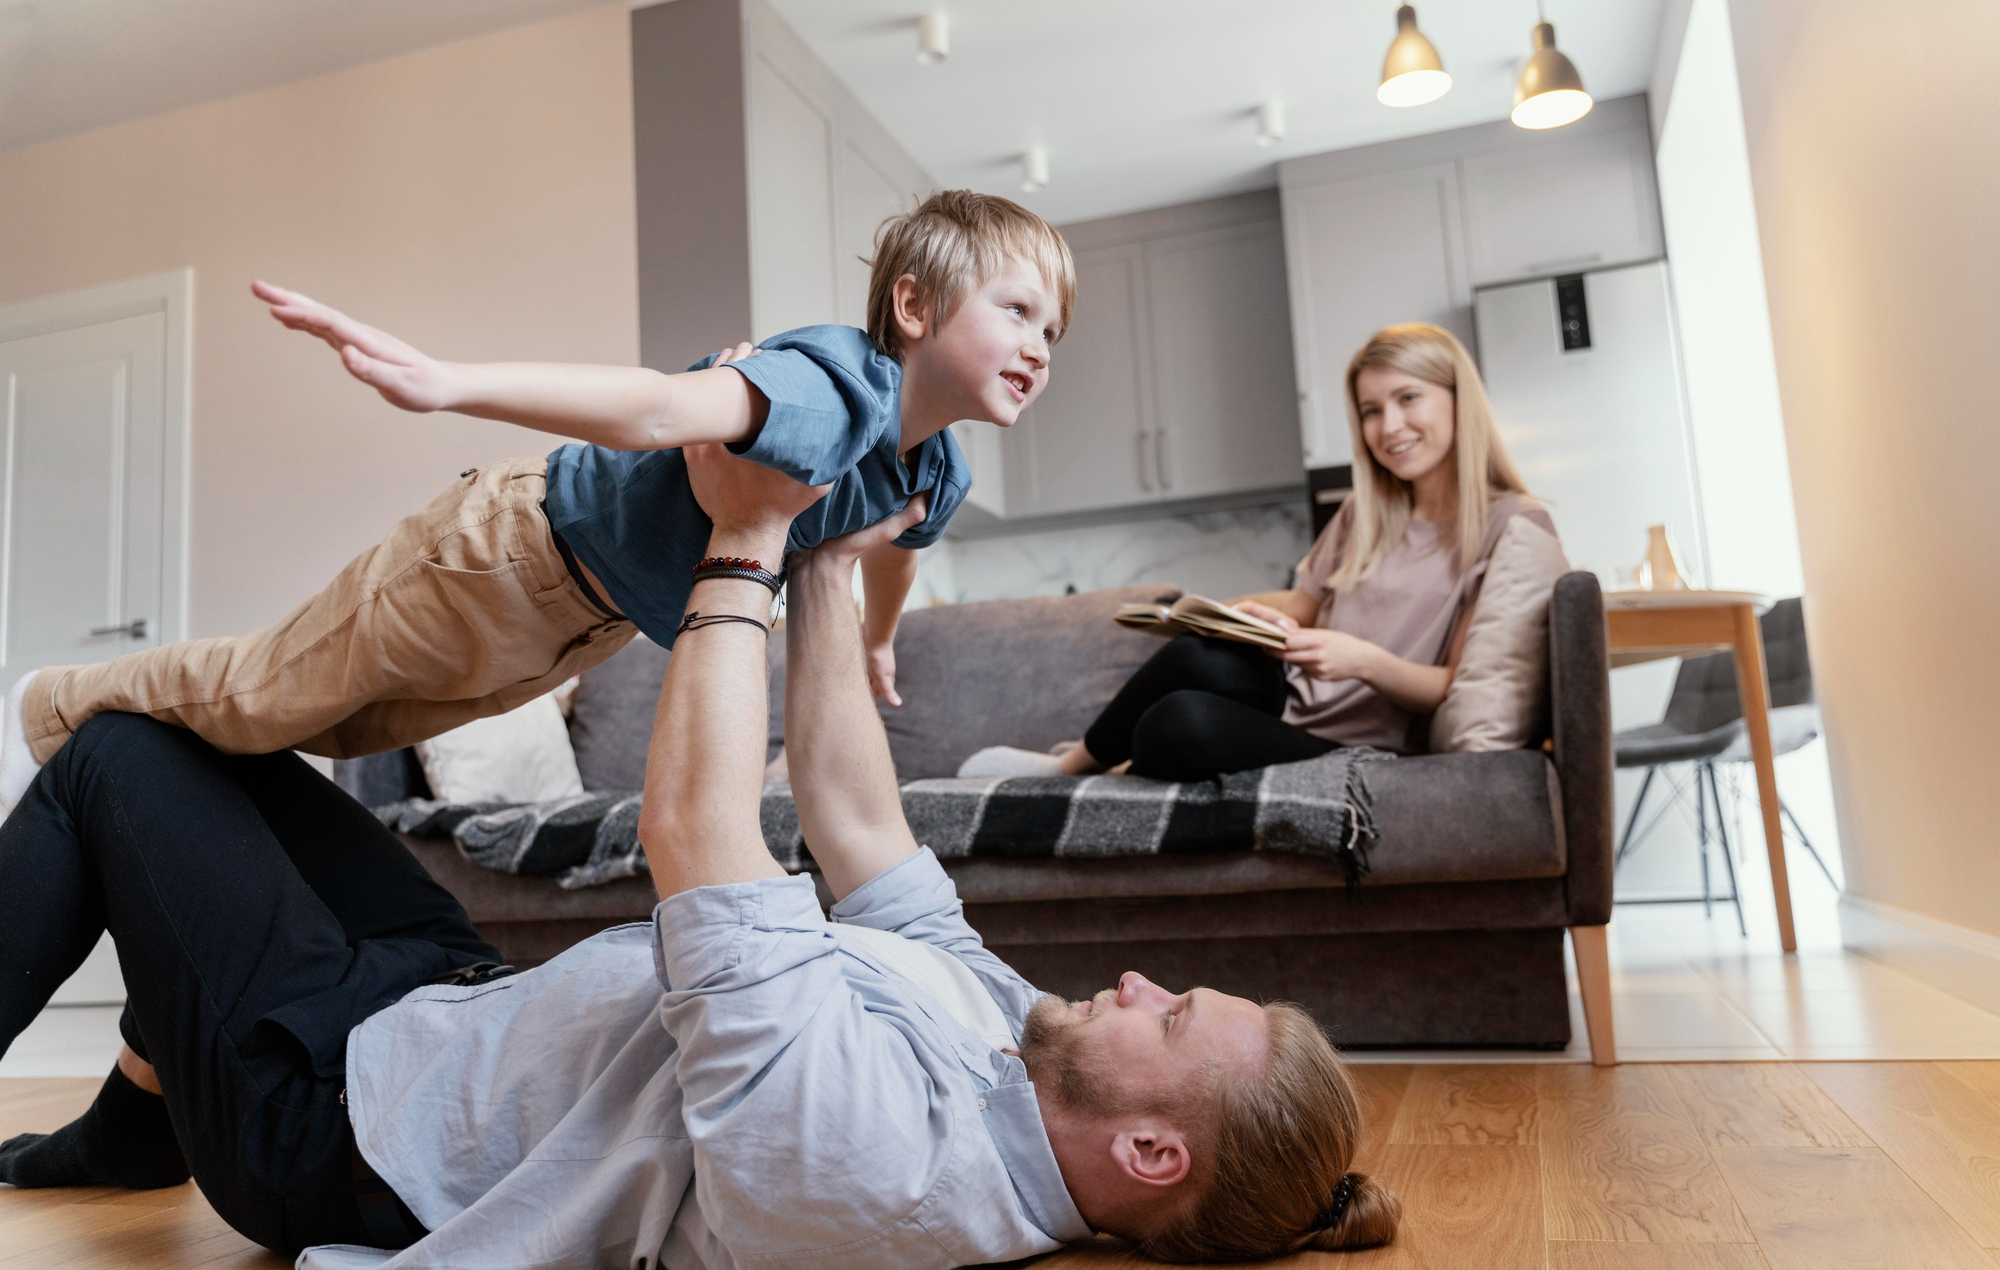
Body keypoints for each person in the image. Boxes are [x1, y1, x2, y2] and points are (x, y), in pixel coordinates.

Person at [0, 444, 1398, 1266]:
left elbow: (699, 836)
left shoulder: (881, 1162)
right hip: (455, 1009)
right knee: (232, 751)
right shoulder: (1019, 1049)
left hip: (337, 1126)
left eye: (1177, 1013)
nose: (1146, 979)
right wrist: (835, 564)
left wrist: (746, 540)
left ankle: (165, 1118)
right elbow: (861, 825)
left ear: (1152, 1149)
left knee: (120, 756)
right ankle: (132, 1127)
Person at [0, 190, 1074, 814]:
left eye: (1050, 331)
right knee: (267, 691)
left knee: (339, 723)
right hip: (508, 551)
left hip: (579, 623)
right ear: (914, 304)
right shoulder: (832, 385)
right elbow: (656, 405)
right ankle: (45, 706)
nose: (1036, 344)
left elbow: (896, 549)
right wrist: (447, 381)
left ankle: (114, 773)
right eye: (1017, 309)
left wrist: (879, 640)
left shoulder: (934, 471)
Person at [965, 322, 1555, 783]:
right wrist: (1249, 617)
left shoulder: (1508, 526)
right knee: (1200, 655)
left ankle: (1114, 763)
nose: (1389, 426)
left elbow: (1451, 684)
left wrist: (1361, 660)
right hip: (1294, 696)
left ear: (1459, 400)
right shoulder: (1362, 513)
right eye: (1371, 411)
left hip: (1364, 738)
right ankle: (1068, 769)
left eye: (1408, 399)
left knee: (1178, 725)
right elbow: (1308, 603)